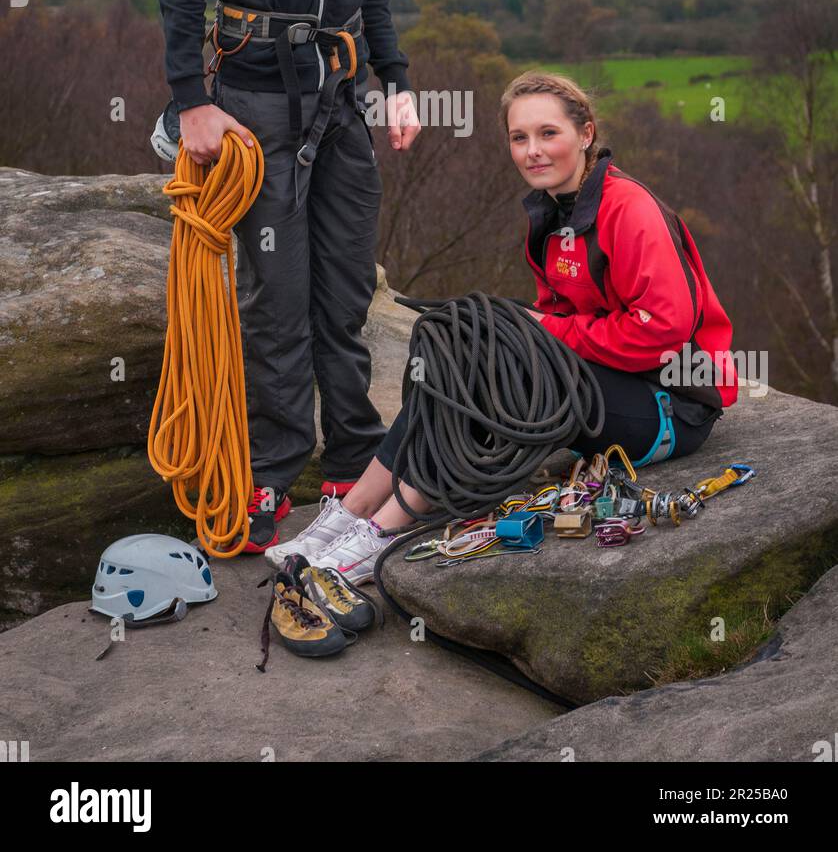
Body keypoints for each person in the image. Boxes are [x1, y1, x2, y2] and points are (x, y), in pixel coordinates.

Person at [273, 71, 738, 583]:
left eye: (548, 133)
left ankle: (384, 529)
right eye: (520, 138)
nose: (533, 151)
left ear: (586, 134)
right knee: (465, 354)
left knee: (503, 373)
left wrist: (542, 335)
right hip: (614, 390)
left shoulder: (628, 211)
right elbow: (559, 315)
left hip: (672, 407)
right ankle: (353, 510)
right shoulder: (551, 212)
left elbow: (663, 332)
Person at [155, 0, 421, 553]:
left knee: (345, 284)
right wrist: (190, 101)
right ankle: (271, 475)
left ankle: (350, 460)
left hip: (340, 91)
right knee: (276, 291)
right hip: (255, 94)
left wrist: (395, 77)